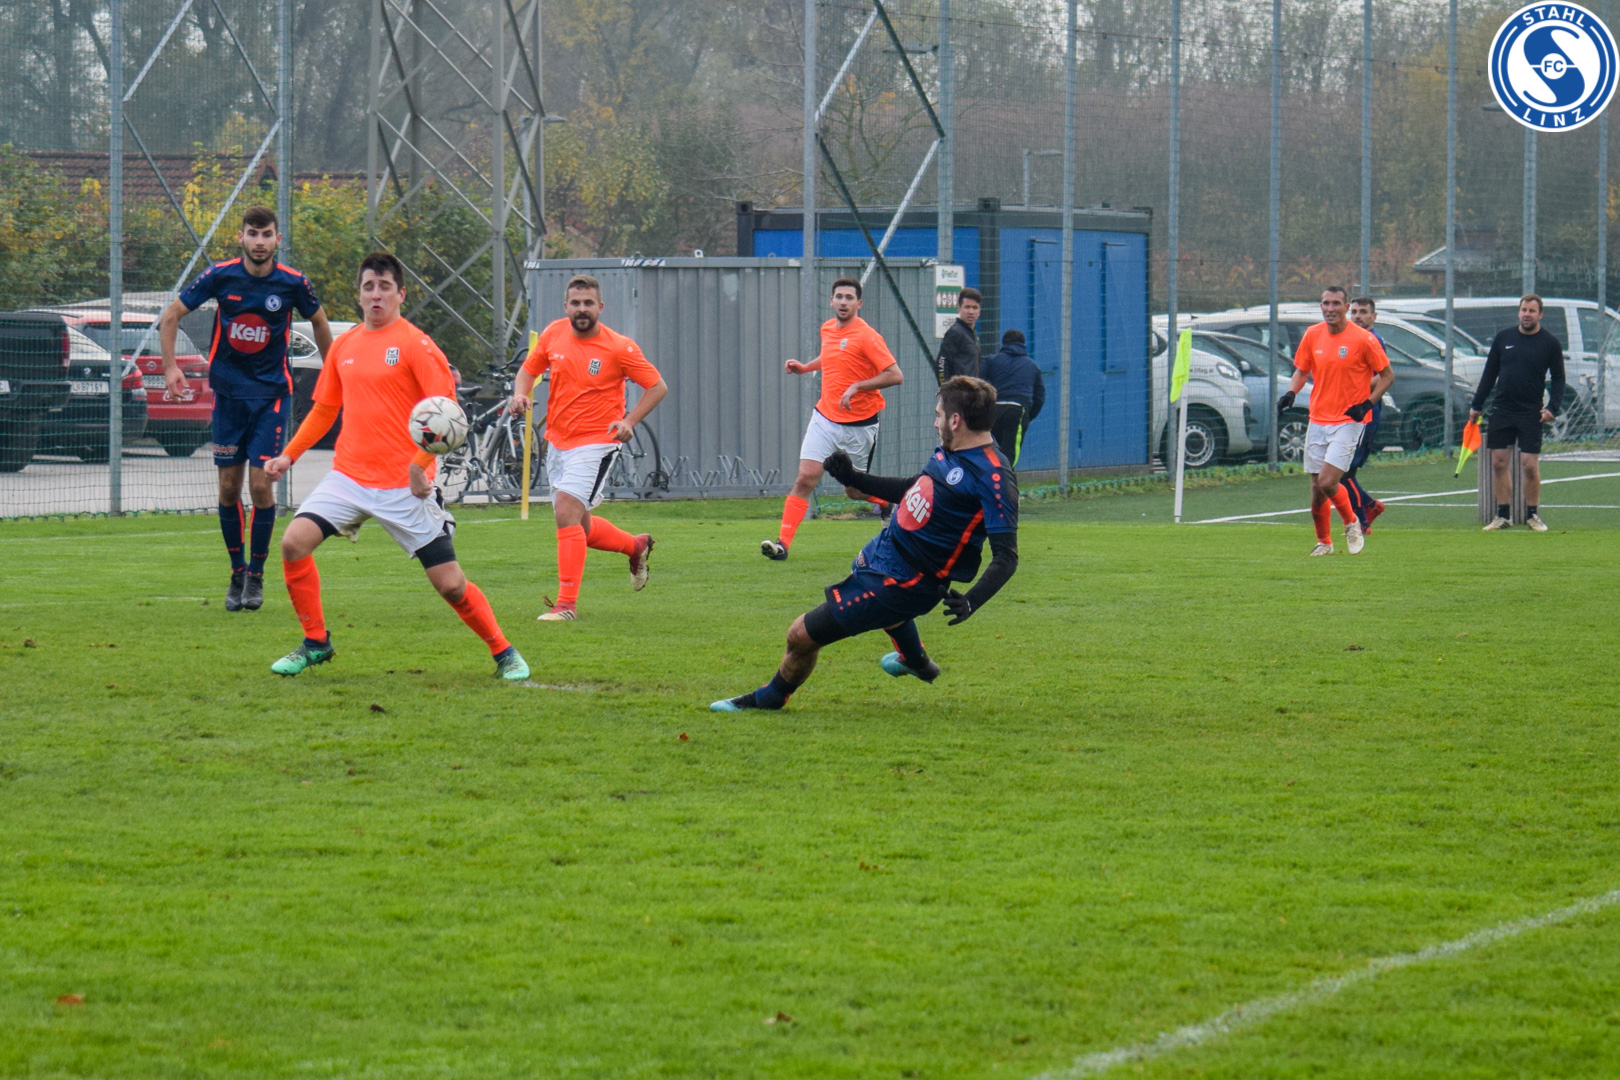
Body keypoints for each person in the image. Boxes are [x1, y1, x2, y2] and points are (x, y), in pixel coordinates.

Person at [261, 252, 528, 680]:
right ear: (359, 295)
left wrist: (420, 466)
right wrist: (288, 455)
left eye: (385, 287)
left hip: (404, 485)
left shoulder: (416, 345)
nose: (376, 295)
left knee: (451, 585)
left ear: (401, 294)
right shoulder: (344, 346)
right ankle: (315, 643)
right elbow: (324, 410)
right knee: (293, 543)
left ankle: (505, 652)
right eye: (368, 287)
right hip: (349, 477)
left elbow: (449, 415)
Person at [714, 376, 1017, 712]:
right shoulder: (953, 450)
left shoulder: (993, 477)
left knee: (800, 635)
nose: (935, 423)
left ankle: (768, 699)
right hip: (886, 552)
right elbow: (913, 487)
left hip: (906, 583)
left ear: (955, 421)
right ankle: (917, 662)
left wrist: (972, 601)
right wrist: (853, 478)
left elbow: (1006, 556)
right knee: (887, 615)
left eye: (938, 415)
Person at [160, 205, 333, 613]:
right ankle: (236, 572)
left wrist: (333, 375)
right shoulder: (220, 276)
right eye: (252, 234)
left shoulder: (293, 283)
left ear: (277, 239)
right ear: (241, 237)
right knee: (227, 488)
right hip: (227, 397)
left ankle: (256, 574)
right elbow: (171, 316)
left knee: (260, 486)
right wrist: (170, 368)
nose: (259, 242)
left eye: (266, 234)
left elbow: (321, 323)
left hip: (271, 396)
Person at [510, 275, 668, 620]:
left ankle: (566, 605)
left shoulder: (619, 347)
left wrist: (629, 421)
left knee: (565, 510)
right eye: (576, 303)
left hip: (598, 442)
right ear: (566, 306)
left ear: (600, 307)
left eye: (588, 303)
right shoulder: (553, 333)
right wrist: (520, 394)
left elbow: (657, 386)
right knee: (579, 527)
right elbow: (528, 370)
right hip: (558, 441)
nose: (582, 309)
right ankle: (636, 546)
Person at [761, 277, 905, 560]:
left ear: (859, 304)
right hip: (824, 419)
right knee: (806, 478)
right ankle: (782, 545)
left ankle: (886, 503)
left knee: (854, 491)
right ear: (831, 300)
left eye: (849, 298)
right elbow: (832, 357)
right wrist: (805, 367)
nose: (843, 302)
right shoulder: (827, 328)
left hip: (859, 427)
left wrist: (857, 386)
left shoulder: (868, 336)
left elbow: (895, 375)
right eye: (839, 296)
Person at [1276, 286, 1394, 556]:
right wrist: (1291, 393)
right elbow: (1302, 370)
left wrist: (1367, 403)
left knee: (1328, 481)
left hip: (1349, 420)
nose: (1330, 309)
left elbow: (1387, 376)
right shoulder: (1312, 334)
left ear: (1345, 308)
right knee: (1317, 489)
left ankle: (1352, 522)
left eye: (1336, 304)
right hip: (1318, 418)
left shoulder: (1364, 339)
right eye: (1326, 303)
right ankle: (1324, 542)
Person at [1470, 294, 1566, 532]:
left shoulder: (1550, 343)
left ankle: (1533, 515)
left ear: (1540, 314)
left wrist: (1553, 408)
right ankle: (1503, 516)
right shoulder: (1504, 338)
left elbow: (1559, 378)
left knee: (1529, 465)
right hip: (1502, 410)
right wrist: (1477, 404)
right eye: (1524, 310)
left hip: (1531, 412)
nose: (1527, 314)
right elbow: (1489, 373)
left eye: (1532, 311)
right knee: (1498, 462)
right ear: (1519, 312)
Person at [1341, 297, 1388, 532]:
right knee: (1343, 470)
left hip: (1365, 411)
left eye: (1363, 312)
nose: (1357, 316)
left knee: (1344, 471)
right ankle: (1369, 506)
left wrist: (1359, 387)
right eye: (1354, 312)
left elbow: (1383, 375)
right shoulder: (1351, 338)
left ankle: (1361, 521)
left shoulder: (1372, 339)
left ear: (1373, 317)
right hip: (1349, 411)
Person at [980, 328, 1045, 467]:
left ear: (1003, 344)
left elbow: (979, 384)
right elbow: (1039, 397)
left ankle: (990, 474)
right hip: (1017, 410)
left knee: (990, 448)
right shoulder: (1032, 366)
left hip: (994, 409)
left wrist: (983, 410)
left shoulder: (991, 360)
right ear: (1023, 344)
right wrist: (1028, 416)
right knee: (1010, 452)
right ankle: (1005, 475)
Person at [936, 286, 982, 381]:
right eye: (967, 307)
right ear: (959, 308)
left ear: (979, 311)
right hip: (958, 389)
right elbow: (941, 363)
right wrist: (944, 387)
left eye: (975, 308)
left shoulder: (972, 334)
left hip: (972, 388)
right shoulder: (955, 333)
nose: (971, 312)